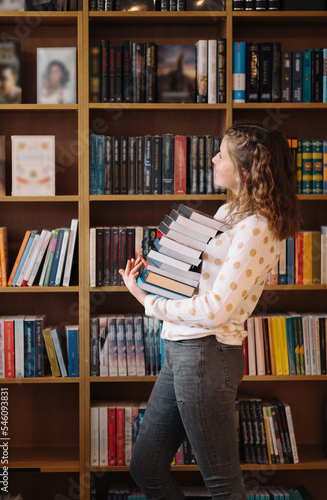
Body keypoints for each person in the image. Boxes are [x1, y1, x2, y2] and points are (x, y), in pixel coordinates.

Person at [119, 121, 301, 499]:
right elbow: (199, 279)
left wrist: (147, 300)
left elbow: (218, 308)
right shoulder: (228, 213)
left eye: (221, 154)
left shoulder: (256, 227)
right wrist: (158, 271)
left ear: (245, 172)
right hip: (183, 350)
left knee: (221, 483)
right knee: (146, 466)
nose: (214, 158)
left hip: (206, 353)